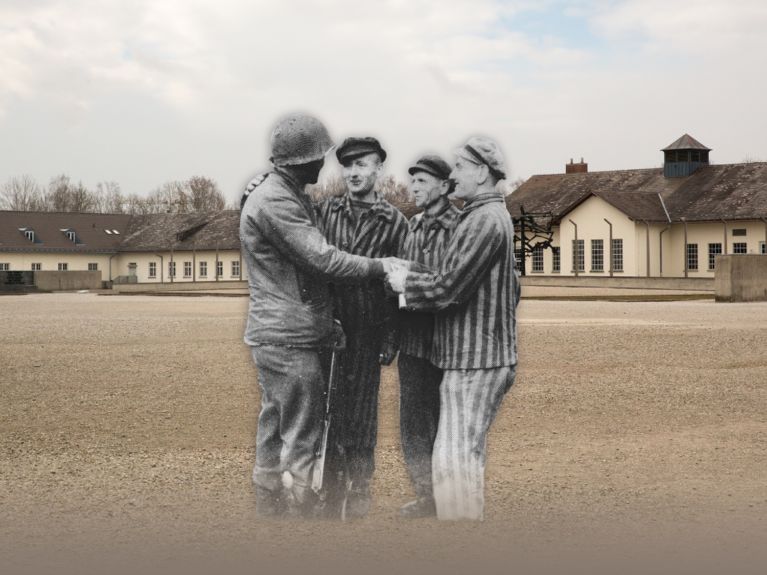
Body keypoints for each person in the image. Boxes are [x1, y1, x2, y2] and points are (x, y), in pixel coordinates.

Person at [239, 114, 400, 518]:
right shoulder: (278, 199)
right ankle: (301, 522)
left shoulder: (285, 193)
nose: (325, 165)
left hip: (294, 333)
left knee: (276, 424)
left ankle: (271, 511)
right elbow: (322, 259)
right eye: (320, 157)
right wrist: (381, 266)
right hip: (290, 337)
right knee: (301, 434)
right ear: (299, 161)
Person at [387, 136, 519, 521]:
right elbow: (509, 286)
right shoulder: (483, 216)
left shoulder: (482, 220)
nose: (453, 174)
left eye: (459, 167)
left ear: (481, 172)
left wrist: (403, 283)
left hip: (474, 358)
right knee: (459, 457)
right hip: (471, 354)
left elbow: (447, 287)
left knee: (456, 460)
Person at [315, 136, 409, 518]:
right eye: (348, 165)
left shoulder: (395, 222)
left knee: (362, 411)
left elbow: (400, 285)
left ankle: (360, 487)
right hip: (327, 327)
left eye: (362, 165)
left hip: (369, 328)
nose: (354, 173)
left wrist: (392, 335)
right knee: (327, 408)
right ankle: (329, 486)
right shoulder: (324, 213)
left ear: (378, 169)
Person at [396, 155, 460, 518]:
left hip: (447, 342)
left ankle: (449, 498)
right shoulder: (412, 226)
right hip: (413, 341)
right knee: (413, 424)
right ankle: (425, 496)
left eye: (422, 180)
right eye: (413, 181)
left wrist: (411, 277)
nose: (415, 187)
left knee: (445, 423)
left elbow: (451, 280)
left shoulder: (460, 227)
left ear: (444, 185)